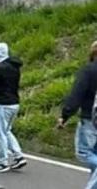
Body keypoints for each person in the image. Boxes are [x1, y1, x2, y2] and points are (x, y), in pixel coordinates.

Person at [58, 41, 97, 188]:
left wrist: (65, 115)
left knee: (83, 153)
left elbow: (77, 94)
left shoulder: (88, 71)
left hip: (90, 119)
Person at [0, 42, 27, 173]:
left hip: (2, 104)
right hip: (14, 103)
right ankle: (18, 156)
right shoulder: (14, 66)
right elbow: (3, 78)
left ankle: (2, 162)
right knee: (7, 131)